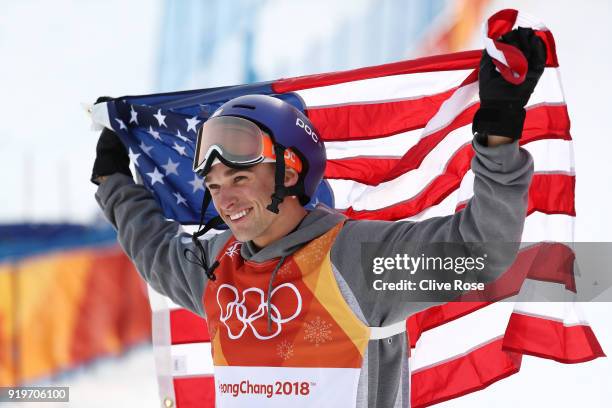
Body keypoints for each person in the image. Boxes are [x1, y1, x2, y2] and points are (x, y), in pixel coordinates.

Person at [91, 28, 545, 408]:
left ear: (289, 171)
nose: (224, 199)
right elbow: (154, 250)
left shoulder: (354, 259)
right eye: (213, 185)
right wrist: (113, 182)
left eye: (239, 178)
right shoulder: (216, 266)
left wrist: (498, 134)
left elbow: (479, 252)